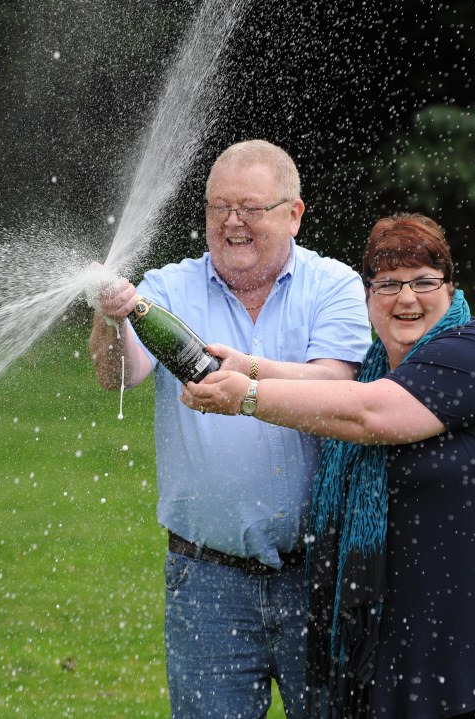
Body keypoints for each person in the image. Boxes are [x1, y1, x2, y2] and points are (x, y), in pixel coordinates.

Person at [181, 212, 475, 719]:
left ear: (451, 288)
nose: (406, 298)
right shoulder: (381, 366)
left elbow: (370, 414)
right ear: (368, 296)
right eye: (388, 284)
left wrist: (249, 395)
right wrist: (251, 365)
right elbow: (348, 392)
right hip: (446, 606)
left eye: (423, 281)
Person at [88, 139, 372, 718]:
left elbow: (335, 388)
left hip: (318, 577)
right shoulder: (167, 290)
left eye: (251, 208)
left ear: (294, 214)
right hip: (206, 580)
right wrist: (107, 316)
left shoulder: (335, 285)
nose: (232, 222)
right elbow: (117, 376)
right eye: (219, 208)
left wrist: (249, 386)